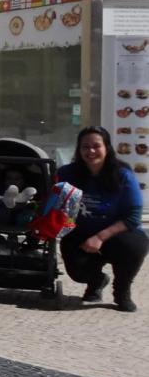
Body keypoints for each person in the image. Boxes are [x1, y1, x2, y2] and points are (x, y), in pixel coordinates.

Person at [58, 126, 147, 312]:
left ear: (106, 147)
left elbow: (133, 216)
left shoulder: (123, 174)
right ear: (78, 149)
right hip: (80, 234)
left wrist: (100, 237)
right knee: (76, 270)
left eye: (96, 146)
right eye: (85, 147)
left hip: (116, 234)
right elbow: (53, 201)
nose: (90, 151)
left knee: (136, 245)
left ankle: (122, 291)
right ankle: (96, 280)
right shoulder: (67, 174)